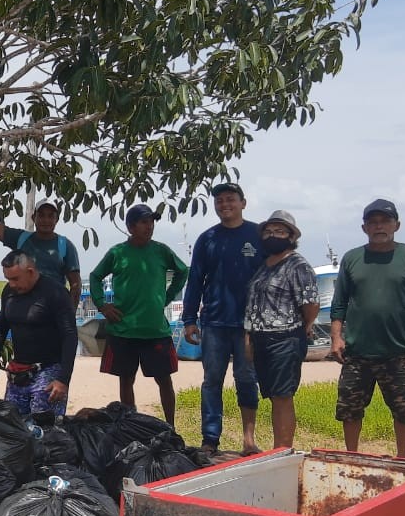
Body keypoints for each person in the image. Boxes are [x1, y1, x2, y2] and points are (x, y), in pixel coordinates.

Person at [330, 199, 405, 458]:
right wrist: (335, 338)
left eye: (385, 221)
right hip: (356, 350)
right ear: (364, 227)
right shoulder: (352, 258)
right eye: (373, 222)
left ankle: (402, 458)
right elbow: (339, 302)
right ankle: (352, 455)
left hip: (398, 351)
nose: (379, 226)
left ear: (396, 225)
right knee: (350, 409)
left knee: (404, 411)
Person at [180, 182, 262, 455]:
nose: (225, 205)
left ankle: (249, 439)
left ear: (243, 202)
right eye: (220, 201)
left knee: (247, 379)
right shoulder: (207, 238)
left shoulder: (258, 234)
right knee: (211, 381)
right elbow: (195, 279)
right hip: (214, 322)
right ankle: (210, 439)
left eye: (230, 200)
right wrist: (189, 319)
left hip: (250, 325)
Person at [89, 204, 189, 425]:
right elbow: (95, 276)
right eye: (144, 222)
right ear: (131, 227)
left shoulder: (162, 250)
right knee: (126, 380)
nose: (149, 226)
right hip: (123, 329)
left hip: (155, 329)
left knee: (164, 380)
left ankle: (171, 426)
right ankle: (129, 424)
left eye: (151, 222)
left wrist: (167, 296)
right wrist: (102, 305)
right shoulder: (117, 253)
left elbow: (183, 271)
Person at [244, 211, 319, 449]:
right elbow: (253, 304)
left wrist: (303, 326)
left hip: (286, 338)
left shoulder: (298, 265)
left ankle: (283, 449)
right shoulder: (264, 265)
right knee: (273, 396)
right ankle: (278, 450)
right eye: (268, 230)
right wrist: (249, 338)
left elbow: (310, 304)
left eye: (279, 231)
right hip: (261, 338)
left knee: (283, 396)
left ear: (291, 236)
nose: (272, 235)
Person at [0, 251, 77, 417]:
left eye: (15, 279)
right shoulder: (9, 292)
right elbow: (0, 329)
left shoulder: (55, 292)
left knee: (43, 432)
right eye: (8, 279)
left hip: (48, 370)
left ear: (30, 272)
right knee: (13, 427)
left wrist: (63, 379)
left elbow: (70, 336)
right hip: (19, 372)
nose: (12, 284)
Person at [0, 191, 82, 308]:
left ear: (56, 219)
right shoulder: (21, 238)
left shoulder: (65, 245)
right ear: (33, 218)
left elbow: (75, 285)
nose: (46, 220)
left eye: (50, 216)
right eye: (41, 215)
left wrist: (69, 316)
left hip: (53, 309)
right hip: (23, 307)